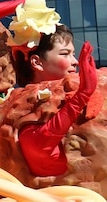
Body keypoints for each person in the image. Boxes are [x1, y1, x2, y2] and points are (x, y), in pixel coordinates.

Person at [11, 25, 97, 177]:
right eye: (65, 54)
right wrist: (82, 96)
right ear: (36, 62)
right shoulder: (19, 107)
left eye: (74, 54)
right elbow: (39, 149)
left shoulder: (74, 95)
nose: (76, 61)